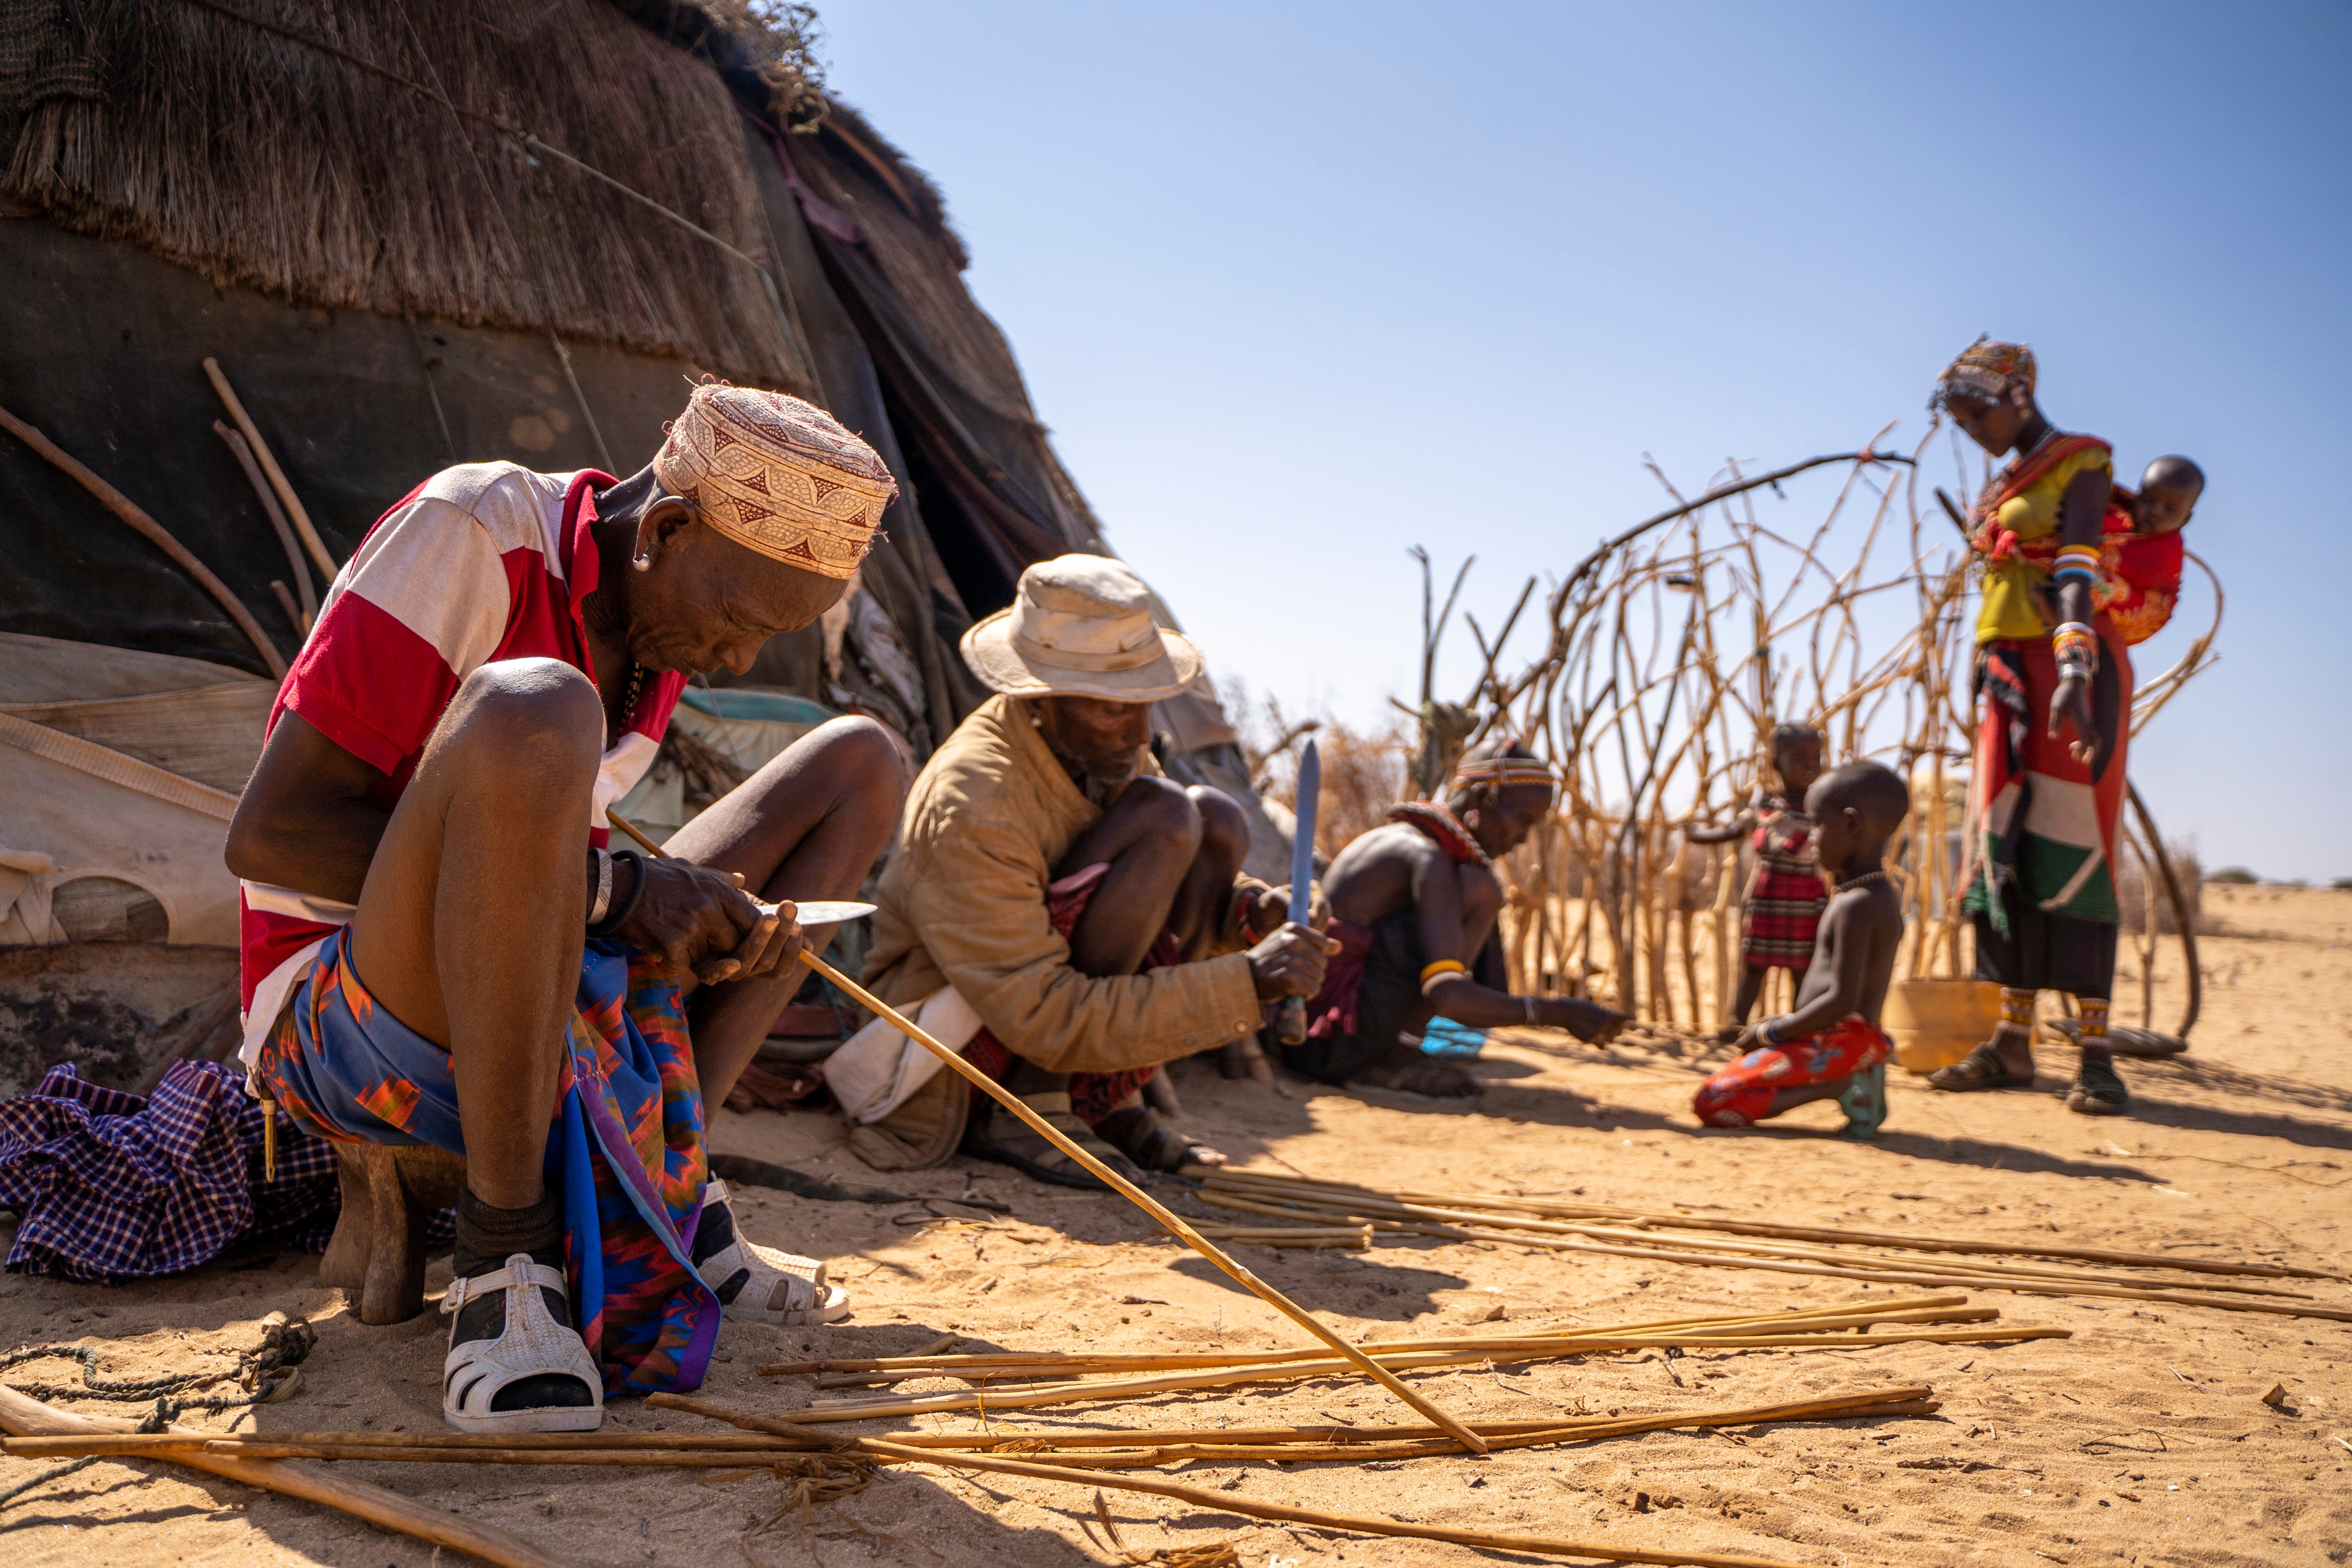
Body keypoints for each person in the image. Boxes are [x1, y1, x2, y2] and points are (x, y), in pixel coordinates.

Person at [226, 383, 907, 1433]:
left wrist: (684, 915)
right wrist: (615, 891)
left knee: (861, 763)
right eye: (737, 620)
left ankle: (673, 1193)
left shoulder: (656, 616)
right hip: (349, 1003)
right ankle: (505, 1263)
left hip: (538, 966)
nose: (736, 661)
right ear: (668, 530)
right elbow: (269, 836)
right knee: (530, 703)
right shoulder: (474, 533)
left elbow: (561, 880)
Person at [838, 554, 1335, 1189]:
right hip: (947, 1055)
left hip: (1043, 1018)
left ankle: (1098, 1099)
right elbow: (1041, 1010)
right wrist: (1246, 984)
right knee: (1167, 812)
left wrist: (1253, 915)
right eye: (1114, 709)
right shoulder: (976, 799)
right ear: (1041, 697)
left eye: (1146, 705)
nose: (1140, 732)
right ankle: (1032, 1106)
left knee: (1210, 819)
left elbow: (1173, 872)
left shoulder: (1103, 751)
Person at [1921, 339, 2134, 1115]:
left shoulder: (2081, 462)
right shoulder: (2007, 480)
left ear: (2019, 393)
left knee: (2075, 838)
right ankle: (2013, 1041)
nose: (1973, 428)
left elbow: (2077, 570)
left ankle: (2097, 1053)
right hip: (2008, 671)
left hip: (2067, 669)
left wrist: (2075, 669)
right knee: (2002, 841)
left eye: (1980, 411)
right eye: (1962, 417)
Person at [1285, 739, 1627, 1099]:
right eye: (1523, 819)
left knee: (1478, 888)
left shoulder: (1410, 842)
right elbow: (1446, 995)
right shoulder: (1429, 860)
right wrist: (1561, 1013)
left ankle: (1397, 1050)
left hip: (1308, 1030)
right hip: (1325, 1040)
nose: (1524, 838)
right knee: (1482, 890)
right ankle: (1393, 1058)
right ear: (1481, 800)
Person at [1691, 762, 1909, 1138]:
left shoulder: (1854, 904)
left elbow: (1842, 1001)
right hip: (1851, 1043)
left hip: (1835, 1045)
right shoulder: (1876, 896)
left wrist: (1773, 1032)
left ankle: (1838, 1086)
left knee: (1712, 1100)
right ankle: (1861, 1083)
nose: (1810, 840)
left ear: (1851, 826)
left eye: (1816, 826)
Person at [1686, 723, 1828, 1044]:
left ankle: (1797, 1027)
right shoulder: (1767, 807)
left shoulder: (1823, 807)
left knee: (1803, 968)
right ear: (1777, 764)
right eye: (1799, 758)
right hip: (1769, 894)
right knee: (1755, 962)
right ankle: (1736, 1023)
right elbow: (1734, 831)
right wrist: (1697, 835)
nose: (1810, 765)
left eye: (1816, 757)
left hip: (1808, 898)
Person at [2105, 455, 2205, 646]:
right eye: (2148, 500)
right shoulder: (2115, 507)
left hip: (2142, 607)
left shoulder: (2166, 550)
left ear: (2185, 521)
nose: (2155, 511)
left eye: (2170, 509)